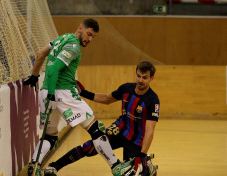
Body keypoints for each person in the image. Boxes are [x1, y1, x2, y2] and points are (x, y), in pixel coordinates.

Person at [24, 18, 131, 176]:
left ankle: (35, 165)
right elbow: (53, 69)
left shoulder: (61, 39)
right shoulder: (74, 47)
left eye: (93, 37)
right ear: (80, 28)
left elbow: (40, 55)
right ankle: (116, 166)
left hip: (45, 91)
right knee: (96, 130)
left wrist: (34, 76)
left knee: (50, 136)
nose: (90, 39)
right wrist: (53, 94)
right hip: (63, 93)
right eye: (88, 34)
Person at [44, 61, 159, 176]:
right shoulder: (126, 88)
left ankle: (148, 167)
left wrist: (142, 154)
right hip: (119, 129)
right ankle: (54, 166)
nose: (140, 80)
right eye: (138, 76)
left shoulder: (152, 100)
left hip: (136, 140)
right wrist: (84, 93)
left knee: (131, 173)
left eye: (145, 78)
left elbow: (149, 130)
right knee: (90, 146)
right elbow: (107, 99)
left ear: (151, 78)